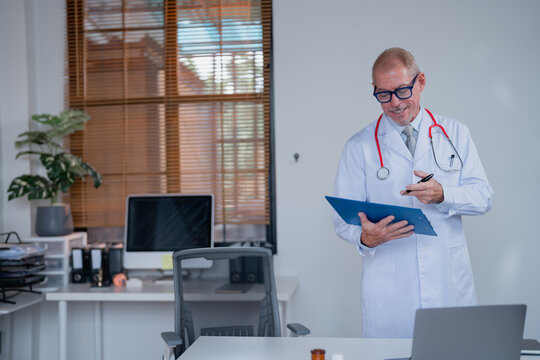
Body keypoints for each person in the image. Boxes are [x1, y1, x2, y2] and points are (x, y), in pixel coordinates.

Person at [331, 47, 493, 338]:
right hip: (390, 292)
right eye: (384, 94)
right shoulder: (359, 146)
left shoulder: (455, 133)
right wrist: (365, 238)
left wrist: (444, 194)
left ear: (421, 82)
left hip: (447, 283)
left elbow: (483, 197)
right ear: (374, 90)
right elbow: (342, 219)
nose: (394, 103)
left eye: (403, 90)